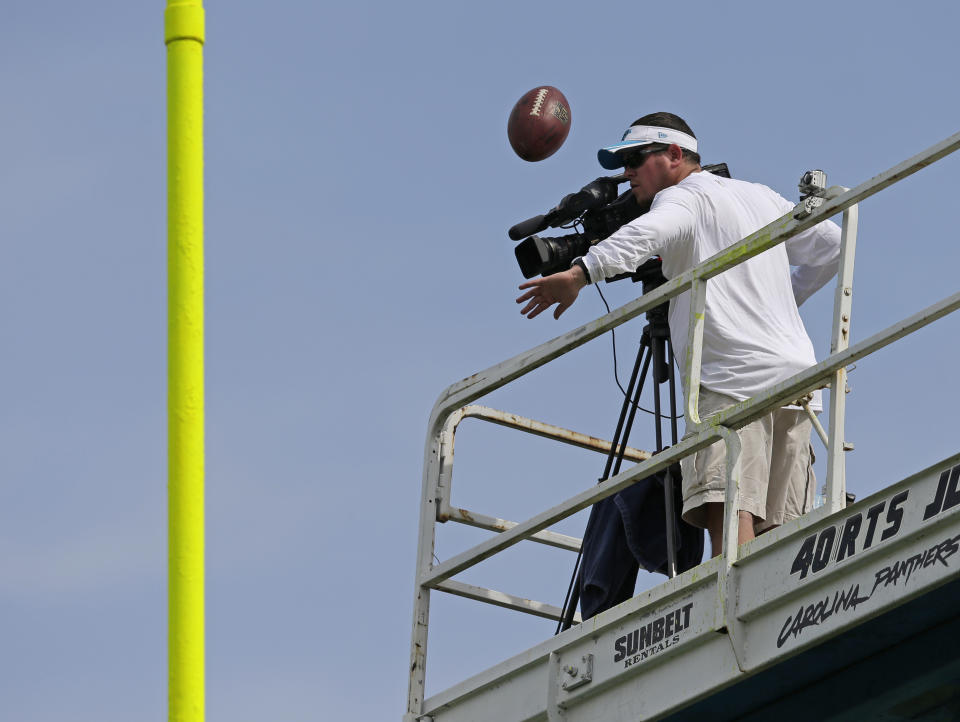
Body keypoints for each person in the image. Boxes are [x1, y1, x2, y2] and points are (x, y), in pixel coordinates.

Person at [516, 112, 841, 557]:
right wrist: (780, 299)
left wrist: (579, 273)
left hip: (732, 379)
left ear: (674, 155)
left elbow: (645, 236)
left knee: (731, 509)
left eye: (635, 159)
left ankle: (732, 617)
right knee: (781, 531)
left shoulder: (683, 198)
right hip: (796, 377)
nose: (627, 172)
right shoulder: (759, 196)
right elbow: (832, 244)